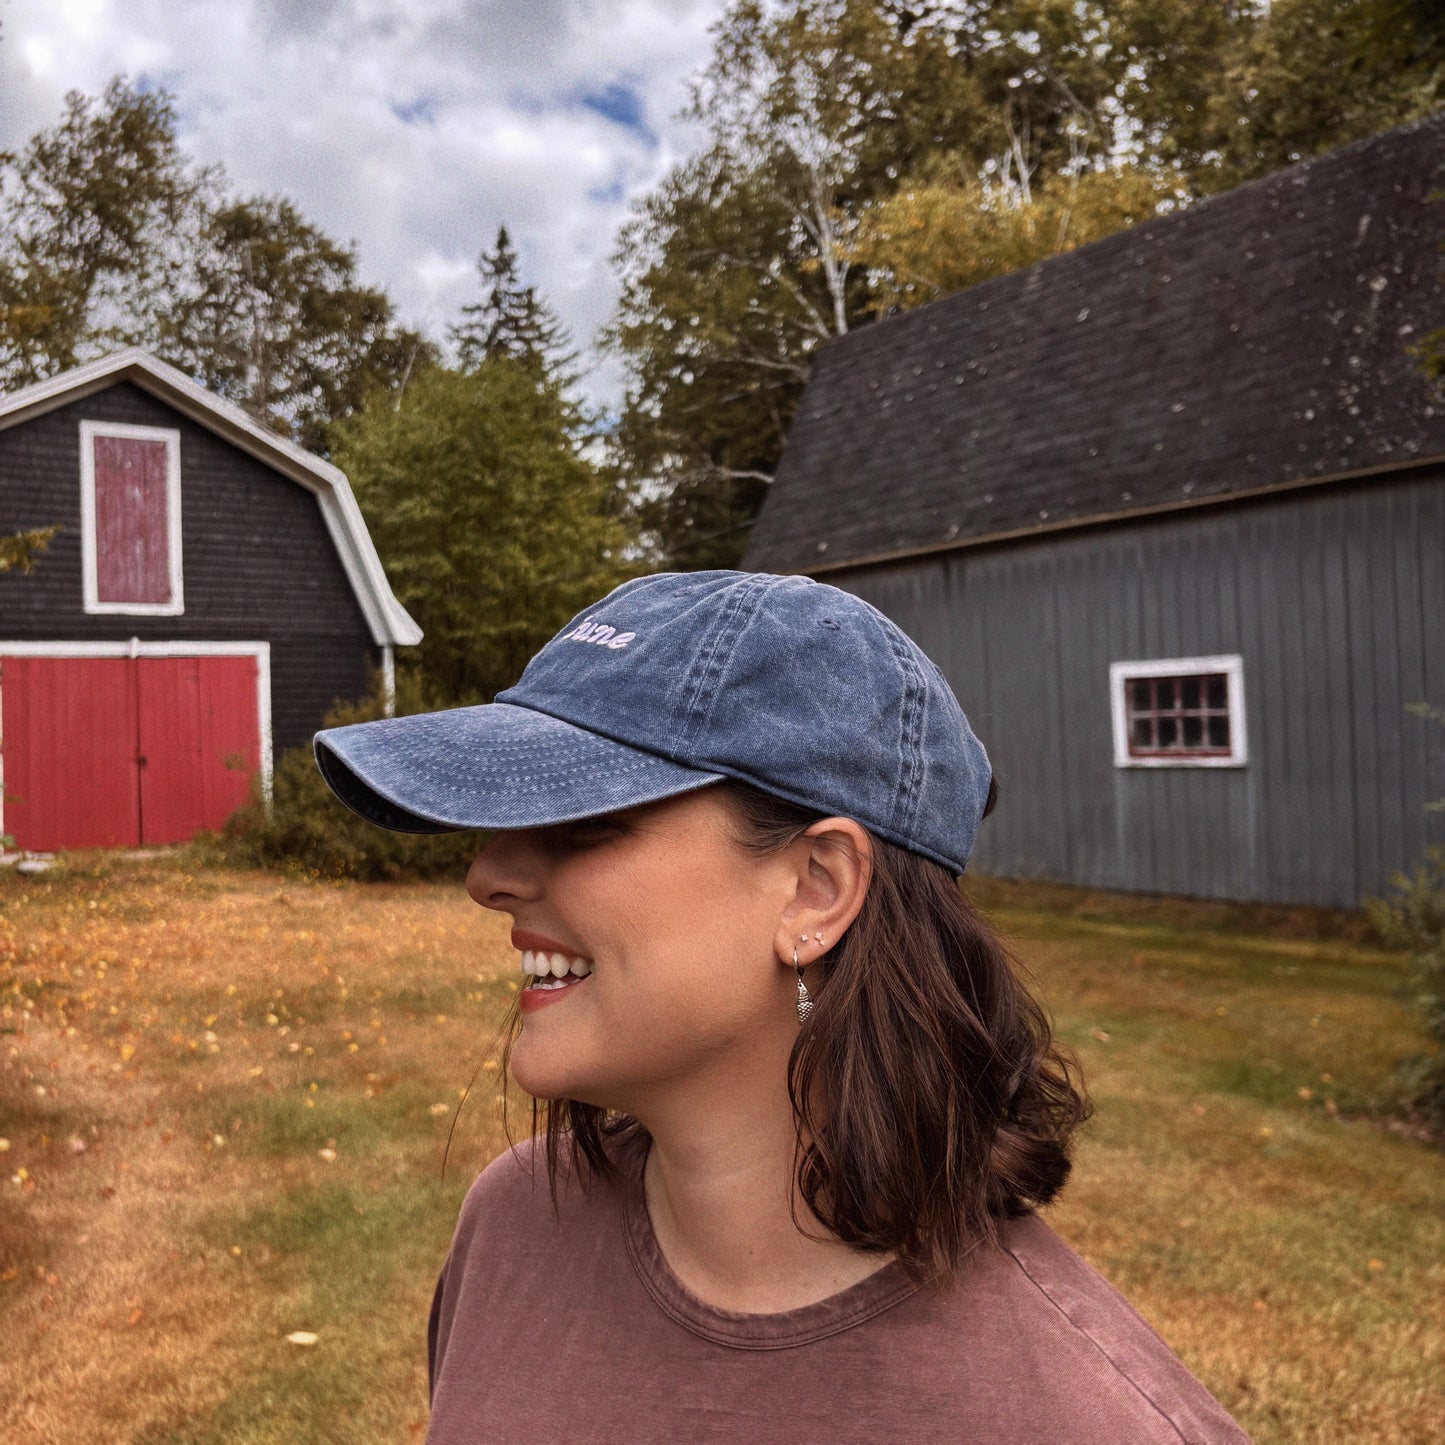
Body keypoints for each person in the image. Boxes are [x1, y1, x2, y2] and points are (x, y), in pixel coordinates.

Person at [315, 569, 1249, 1444]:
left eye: (583, 820)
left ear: (815, 887)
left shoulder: (1083, 1416)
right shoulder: (516, 1227)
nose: (490, 875)